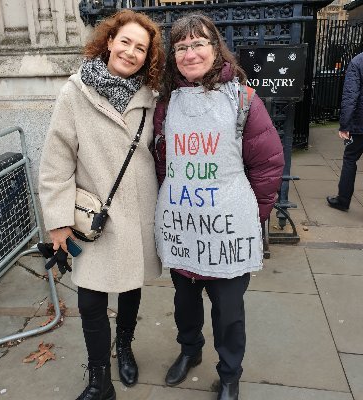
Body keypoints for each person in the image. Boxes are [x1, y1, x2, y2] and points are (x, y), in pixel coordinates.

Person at [153, 14, 284, 400]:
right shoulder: (166, 102)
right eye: (181, 47)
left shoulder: (242, 98)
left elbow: (268, 163)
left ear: (215, 48)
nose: (190, 54)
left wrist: (251, 216)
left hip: (227, 231)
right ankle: (190, 350)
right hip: (183, 228)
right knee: (184, 304)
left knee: (228, 313)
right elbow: (163, 163)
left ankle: (229, 374)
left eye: (198, 44)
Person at [38, 10, 164, 400]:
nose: (130, 52)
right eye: (124, 41)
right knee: (91, 300)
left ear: (147, 57)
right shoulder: (74, 93)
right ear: (109, 41)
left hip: (139, 211)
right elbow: (56, 162)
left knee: (130, 289)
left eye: (140, 48)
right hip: (96, 216)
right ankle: (99, 380)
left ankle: (124, 347)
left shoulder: (152, 97)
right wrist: (58, 223)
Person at [327, 51, 363, 211]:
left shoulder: (358, 61)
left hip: (360, 124)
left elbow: (350, 94)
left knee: (350, 159)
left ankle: (343, 200)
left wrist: (345, 124)